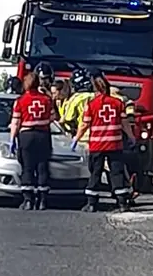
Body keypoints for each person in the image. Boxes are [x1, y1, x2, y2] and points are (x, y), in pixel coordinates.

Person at [71, 71, 138, 212]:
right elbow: (125, 123)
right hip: (115, 145)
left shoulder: (91, 105)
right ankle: (122, 203)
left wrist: (76, 139)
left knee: (95, 172)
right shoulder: (118, 103)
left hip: (97, 145)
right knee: (117, 173)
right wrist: (131, 137)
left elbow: (84, 125)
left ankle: (91, 203)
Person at [9, 72, 55, 210]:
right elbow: (54, 117)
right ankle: (42, 201)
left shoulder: (21, 100)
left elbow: (16, 122)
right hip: (43, 134)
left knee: (27, 167)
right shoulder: (47, 100)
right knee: (42, 167)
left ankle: (28, 200)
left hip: (26, 135)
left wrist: (12, 139)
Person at [59, 68, 94, 136]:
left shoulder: (75, 99)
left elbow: (68, 118)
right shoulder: (97, 96)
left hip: (82, 136)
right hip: (97, 135)